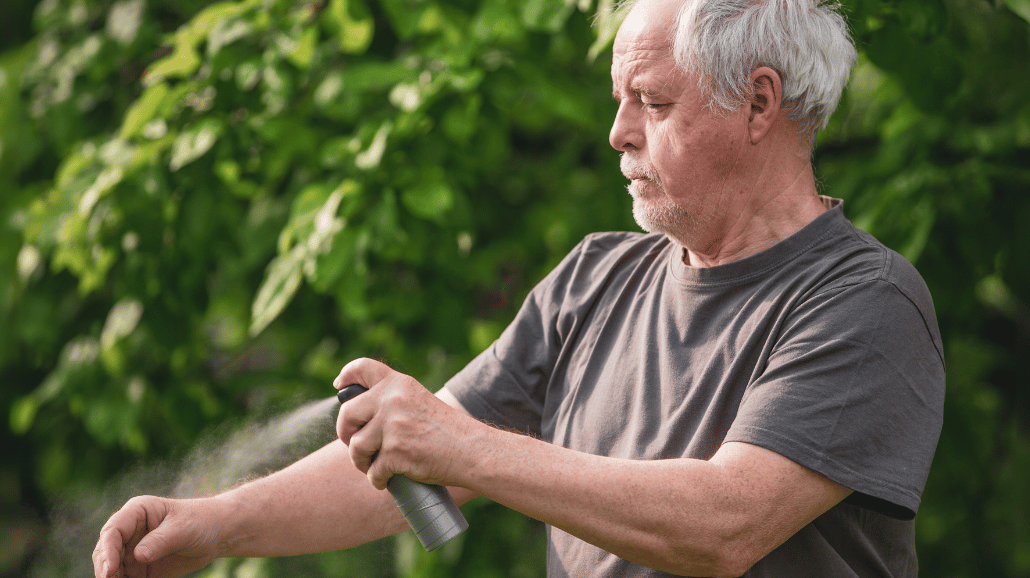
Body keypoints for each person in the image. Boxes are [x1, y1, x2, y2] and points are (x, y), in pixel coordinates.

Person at [93, 0, 946, 576]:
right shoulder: (594, 280)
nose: (617, 133)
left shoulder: (863, 303)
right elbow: (414, 461)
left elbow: (726, 522)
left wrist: (458, 447)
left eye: (649, 101)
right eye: (619, 99)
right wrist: (213, 525)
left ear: (759, 103)